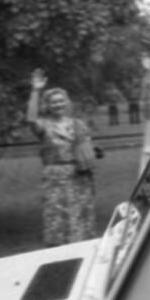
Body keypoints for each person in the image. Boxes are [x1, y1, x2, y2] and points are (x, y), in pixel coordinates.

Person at [26, 69, 96, 247]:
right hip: (55, 179)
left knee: (79, 218)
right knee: (58, 219)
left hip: (79, 177)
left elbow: (86, 147)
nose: (58, 104)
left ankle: (81, 249)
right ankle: (60, 252)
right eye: (53, 102)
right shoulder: (44, 125)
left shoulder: (78, 124)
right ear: (47, 105)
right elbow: (31, 120)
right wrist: (35, 90)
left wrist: (92, 152)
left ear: (66, 102)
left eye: (60, 100)